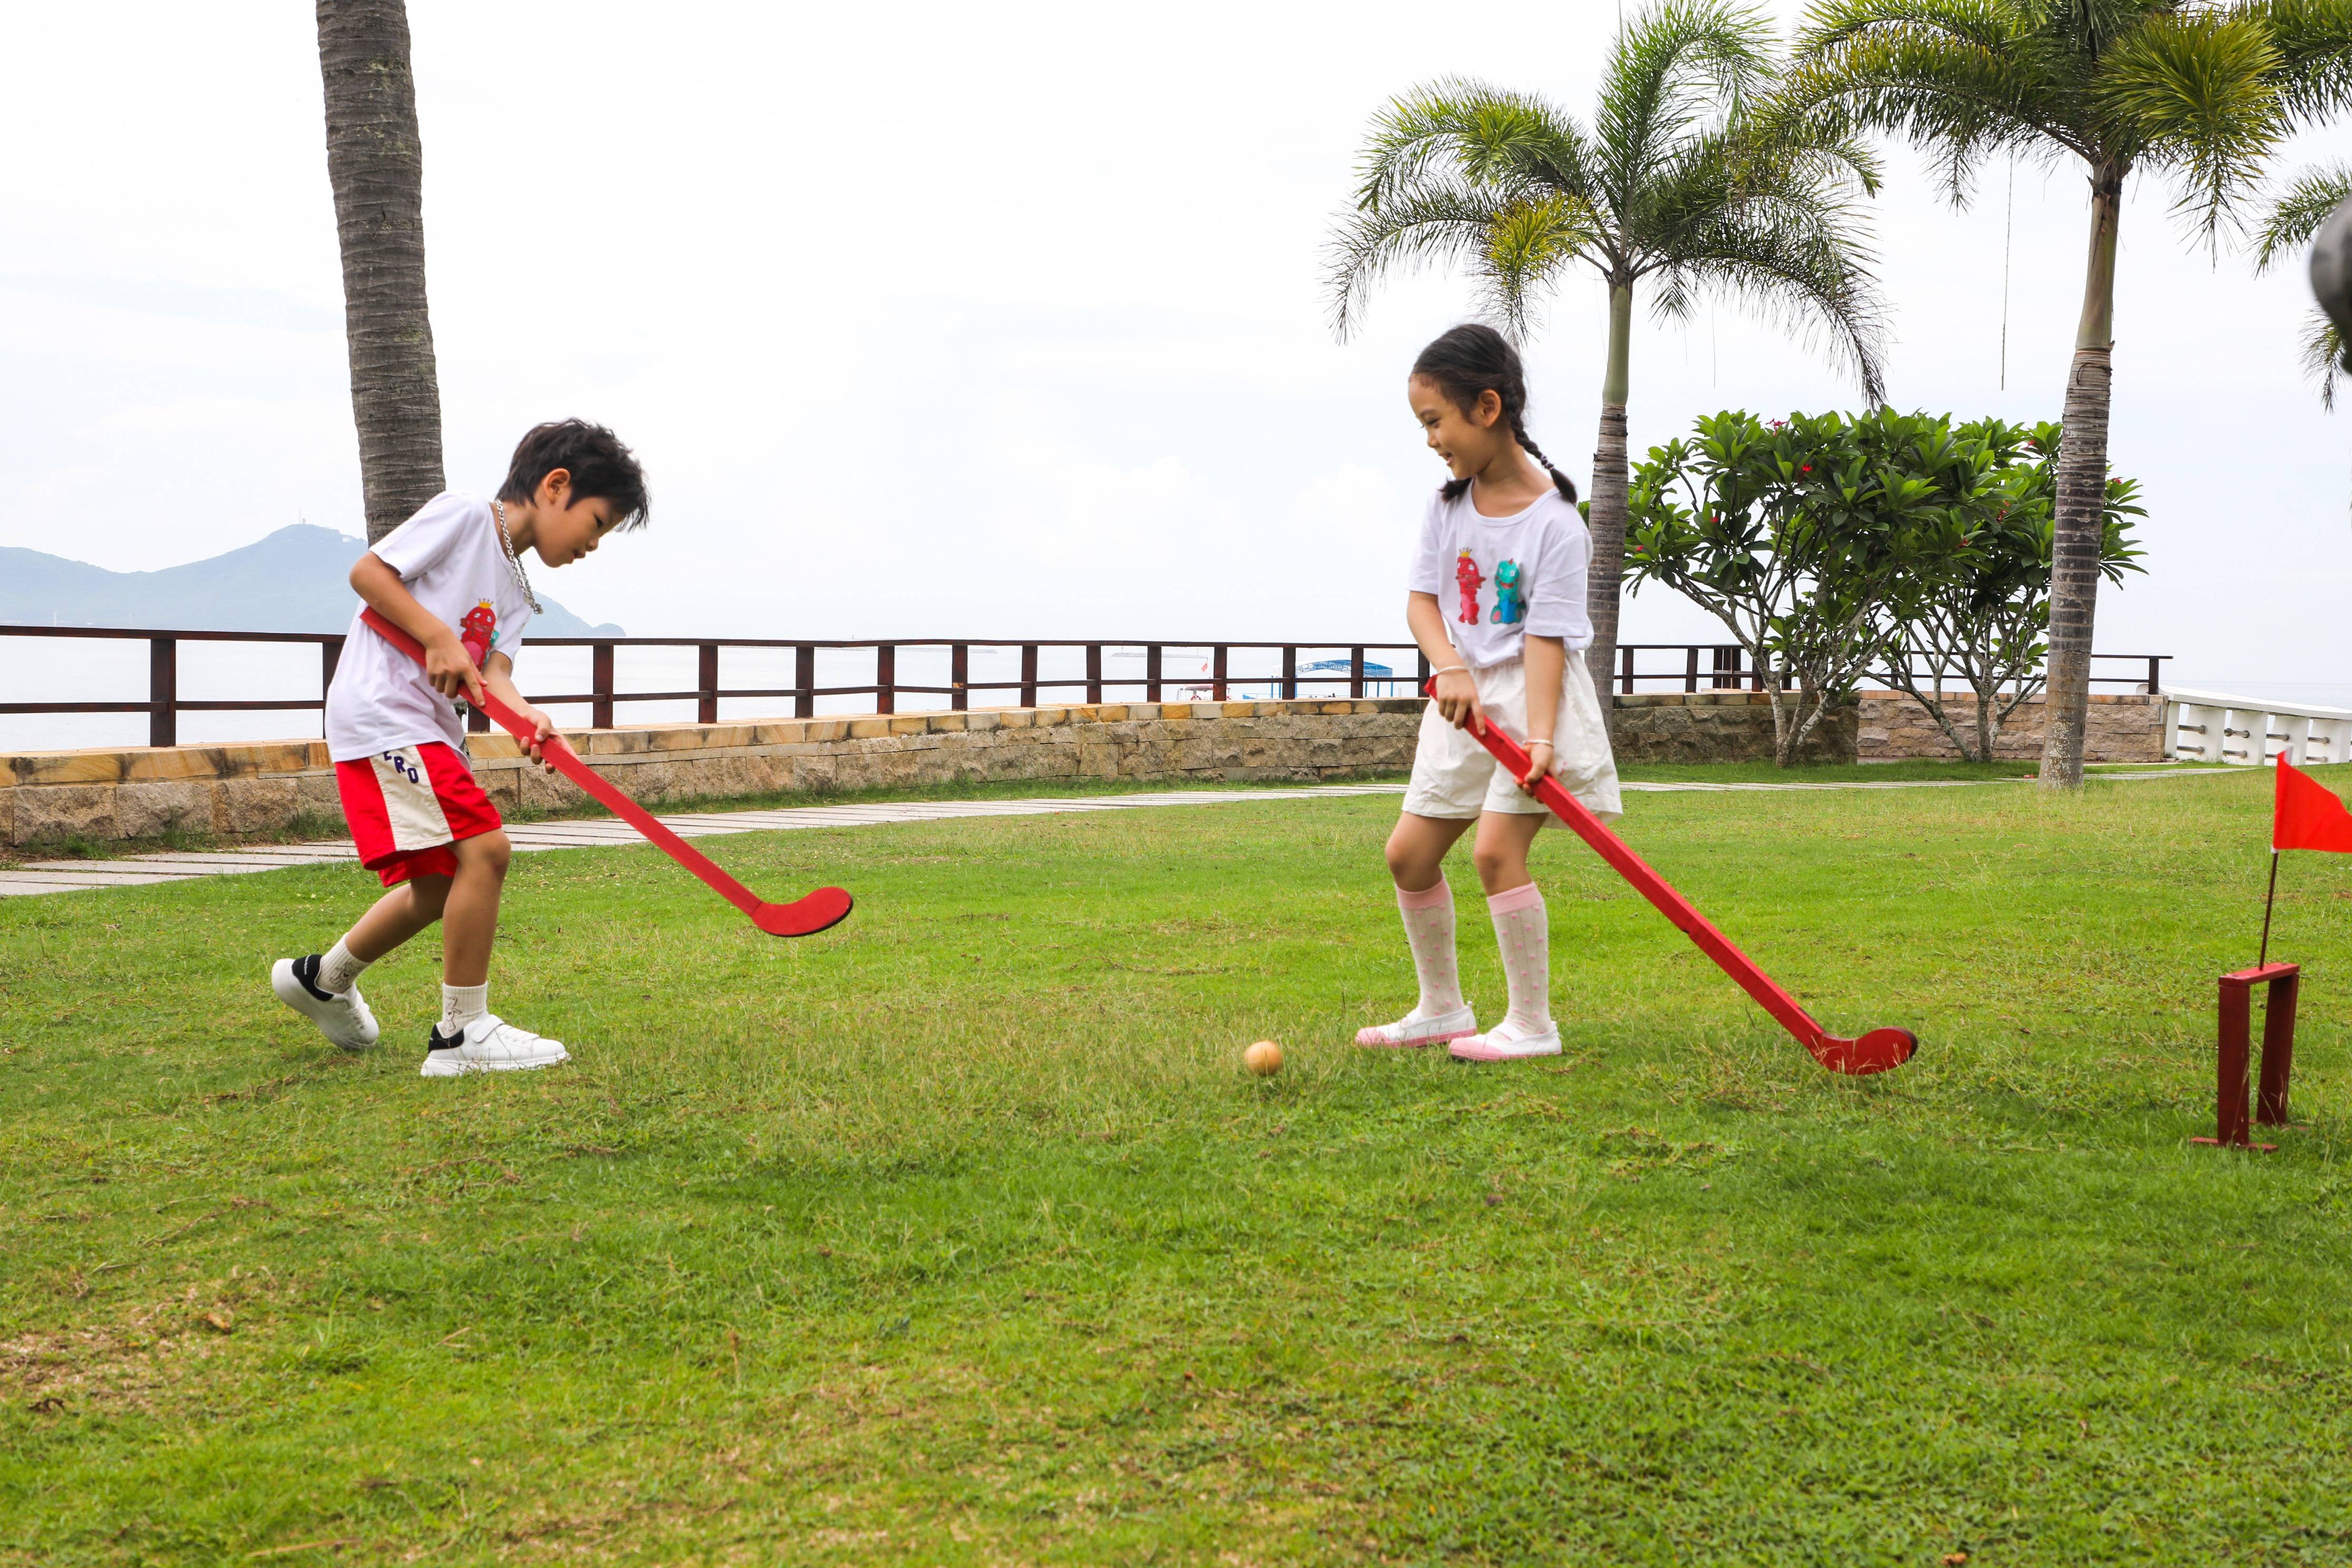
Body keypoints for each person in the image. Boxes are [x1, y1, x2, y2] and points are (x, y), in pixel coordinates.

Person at [271, 420, 650, 1076]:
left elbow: (493, 677)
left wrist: (528, 716)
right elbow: (369, 573)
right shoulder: (467, 517)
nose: (593, 543)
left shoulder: (520, 596)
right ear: (556, 487)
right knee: (487, 849)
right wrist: (437, 637)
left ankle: (322, 979)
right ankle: (461, 1033)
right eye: (597, 522)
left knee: (440, 882)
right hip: (387, 713)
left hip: (425, 727)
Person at [1355, 325, 1622, 1062]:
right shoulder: (1447, 508)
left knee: (1497, 855)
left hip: (1534, 704)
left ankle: (1532, 1025)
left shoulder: (1558, 526)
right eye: (1423, 425)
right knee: (1409, 856)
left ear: (1488, 408)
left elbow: (1547, 643)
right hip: (1459, 700)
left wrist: (1541, 740)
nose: (1431, 439)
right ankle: (1441, 1008)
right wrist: (1449, 667)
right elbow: (1421, 603)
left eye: (1435, 421)